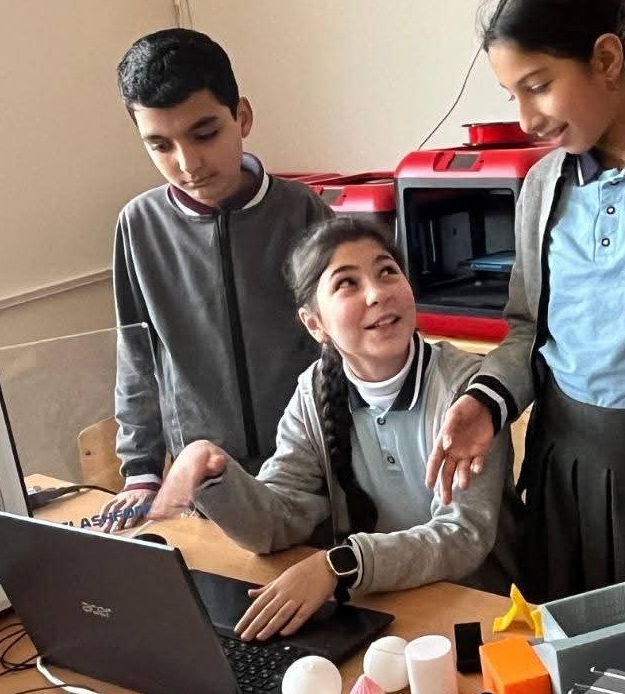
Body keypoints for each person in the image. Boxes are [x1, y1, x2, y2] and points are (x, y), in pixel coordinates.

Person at [423, 0, 625, 601]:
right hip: (561, 467)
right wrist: (486, 401)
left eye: (539, 86)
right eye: (512, 95)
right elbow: (526, 328)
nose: (526, 118)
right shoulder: (544, 187)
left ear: (607, 59)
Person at [150, 219, 516, 640]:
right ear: (314, 324)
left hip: (479, 610)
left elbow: (462, 536)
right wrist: (212, 471)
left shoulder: (468, 392)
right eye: (347, 283)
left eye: (387, 272)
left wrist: (339, 564)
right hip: (378, 608)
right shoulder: (314, 390)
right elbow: (280, 520)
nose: (377, 294)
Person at [100, 29, 330, 532]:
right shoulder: (138, 225)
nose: (188, 164)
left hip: (311, 474)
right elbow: (137, 355)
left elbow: (341, 349)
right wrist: (140, 471)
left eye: (204, 134)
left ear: (241, 117)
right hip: (203, 484)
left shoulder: (302, 212)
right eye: (160, 145)